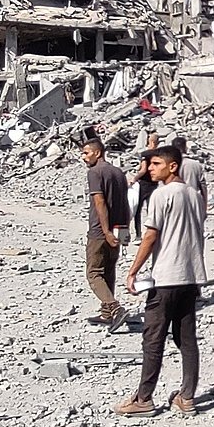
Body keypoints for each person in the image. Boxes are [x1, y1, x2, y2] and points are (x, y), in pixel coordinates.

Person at [115, 146, 207, 416]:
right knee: (186, 338)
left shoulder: (161, 195)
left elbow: (151, 236)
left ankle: (144, 399)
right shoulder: (193, 195)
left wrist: (133, 271)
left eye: (156, 164)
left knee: (153, 338)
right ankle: (187, 396)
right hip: (190, 276)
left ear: (172, 166)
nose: (150, 168)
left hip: (166, 276)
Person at [81, 137, 131, 331]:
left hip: (100, 231)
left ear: (97, 153)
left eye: (86, 153)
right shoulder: (118, 172)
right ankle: (106, 313)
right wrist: (124, 228)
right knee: (108, 270)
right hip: (118, 228)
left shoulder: (95, 173)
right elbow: (126, 202)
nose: (83, 157)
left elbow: (99, 202)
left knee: (94, 273)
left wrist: (105, 230)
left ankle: (115, 309)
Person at [170, 135, 208, 219]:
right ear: (185, 148)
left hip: (174, 203)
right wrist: (204, 208)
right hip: (193, 202)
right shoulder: (196, 165)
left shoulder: (169, 166)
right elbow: (203, 188)